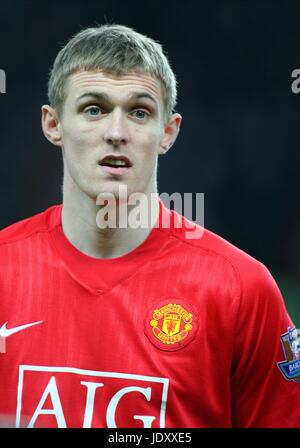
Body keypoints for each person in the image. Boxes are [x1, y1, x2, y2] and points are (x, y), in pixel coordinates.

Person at [0, 24, 299, 429]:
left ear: (168, 132)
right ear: (53, 124)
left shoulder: (240, 289)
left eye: (139, 112)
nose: (117, 133)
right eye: (94, 108)